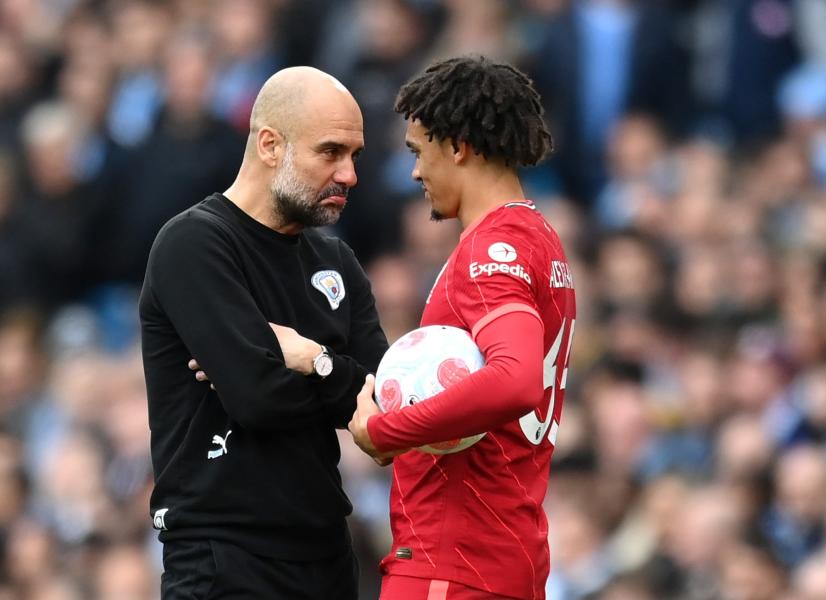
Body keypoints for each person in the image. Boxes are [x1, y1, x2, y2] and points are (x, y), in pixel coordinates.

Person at [139, 66, 389, 599]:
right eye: (330, 152)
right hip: (224, 556)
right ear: (271, 145)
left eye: (355, 156)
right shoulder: (195, 244)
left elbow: (386, 400)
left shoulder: (336, 261)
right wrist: (334, 382)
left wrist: (311, 359)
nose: (349, 175)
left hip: (326, 553)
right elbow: (257, 398)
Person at [348, 56, 576, 600]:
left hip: (452, 563)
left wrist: (383, 432)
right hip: (500, 555)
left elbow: (515, 379)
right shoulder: (538, 238)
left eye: (418, 151)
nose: (415, 172)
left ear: (457, 147)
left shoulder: (488, 253)